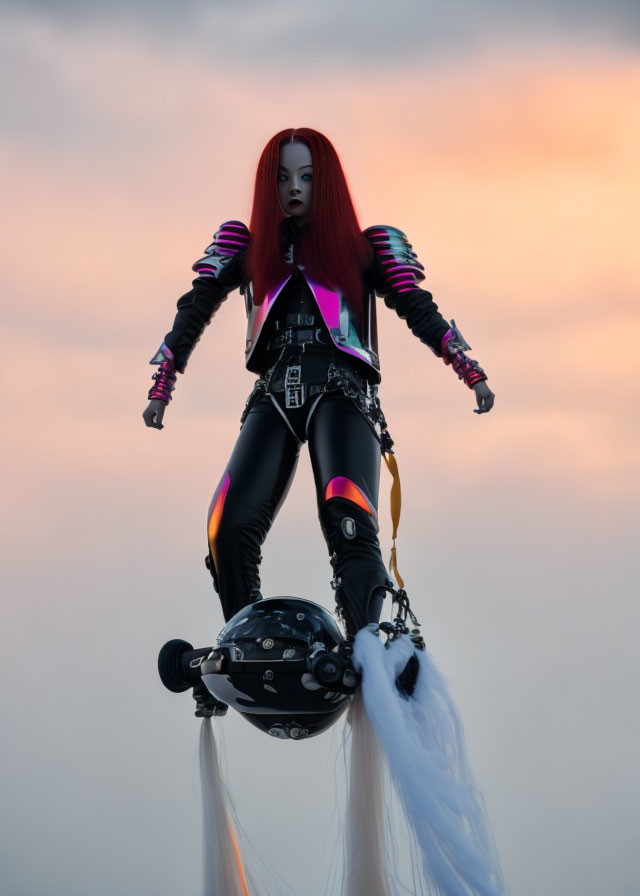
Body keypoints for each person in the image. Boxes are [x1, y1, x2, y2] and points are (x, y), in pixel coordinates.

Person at [143, 128, 494, 637]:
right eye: (283, 177)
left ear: (324, 183)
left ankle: (368, 641)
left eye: (307, 176)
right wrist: (163, 381)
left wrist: (468, 369)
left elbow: (417, 307)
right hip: (275, 389)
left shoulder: (362, 247)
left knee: (347, 517)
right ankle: (250, 638)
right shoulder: (247, 247)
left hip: (342, 389)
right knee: (227, 524)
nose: (294, 187)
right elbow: (195, 307)